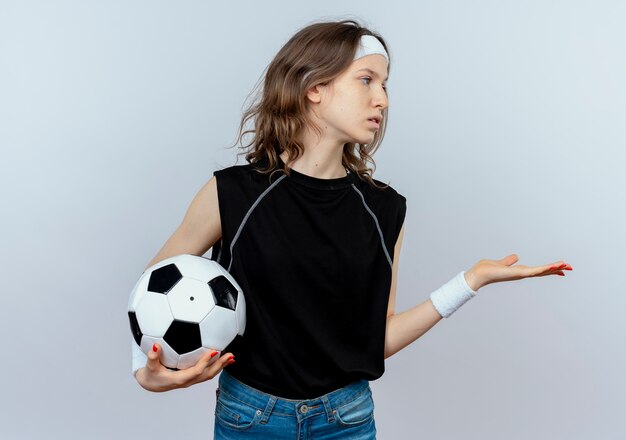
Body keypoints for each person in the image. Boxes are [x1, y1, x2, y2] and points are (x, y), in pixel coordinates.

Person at [130, 19, 572, 439]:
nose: (382, 99)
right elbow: (152, 293)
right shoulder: (232, 193)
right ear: (315, 88)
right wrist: (149, 372)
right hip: (250, 417)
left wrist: (471, 281)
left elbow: (375, 340)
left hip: (347, 419)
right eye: (367, 80)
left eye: (384, 85)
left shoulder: (384, 209)